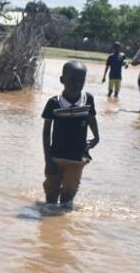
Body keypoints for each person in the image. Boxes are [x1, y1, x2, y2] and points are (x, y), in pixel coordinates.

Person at [41, 60, 100, 208]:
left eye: (81, 81)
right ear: (62, 80)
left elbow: (91, 118)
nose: (77, 85)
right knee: (51, 195)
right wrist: (48, 161)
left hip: (77, 158)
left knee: (69, 193)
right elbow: (46, 133)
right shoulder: (54, 103)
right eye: (72, 80)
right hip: (56, 157)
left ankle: (63, 220)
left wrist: (97, 136)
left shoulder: (88, 100)